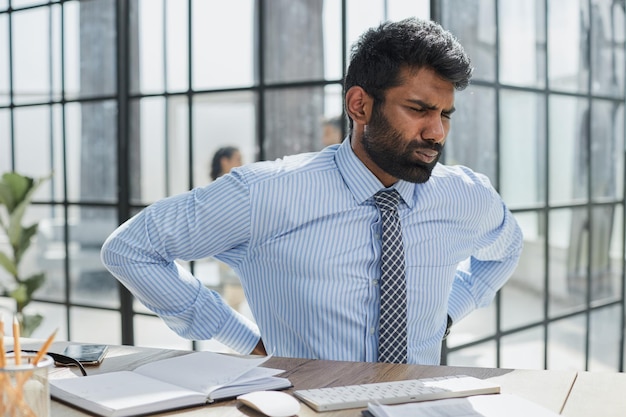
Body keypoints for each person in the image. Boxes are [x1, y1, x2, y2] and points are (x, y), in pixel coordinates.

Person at [101, 17, 523, 365]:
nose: (436, 132)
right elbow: (131, 248)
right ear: (360, 105)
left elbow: (507, 248)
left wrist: (450, 311)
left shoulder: (465, 196)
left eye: (445, 114)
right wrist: (242, 338)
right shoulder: (265, 193)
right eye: (418, 109)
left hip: (420, 406)